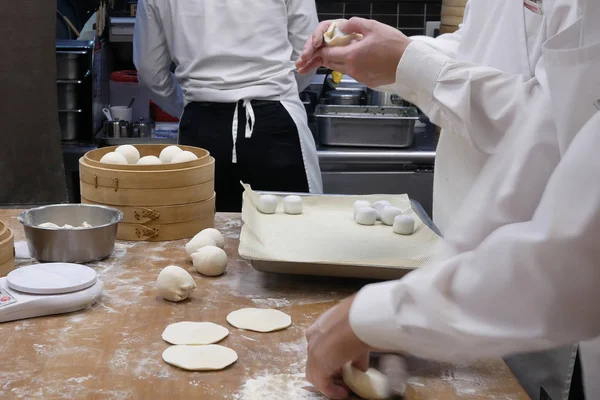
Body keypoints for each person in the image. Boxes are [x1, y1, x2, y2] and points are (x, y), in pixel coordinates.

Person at [299, 1, 600, 399]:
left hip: (549, 314)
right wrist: (396, 54)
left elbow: (575, 246)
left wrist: (389, 314)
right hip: (479, 288)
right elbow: (499, 71)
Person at [134, 0, 323, 212]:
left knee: (203, 235)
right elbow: (306, 55)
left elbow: (149, 71)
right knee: (293, 233)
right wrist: (277, 91)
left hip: (201, 127)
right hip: (277, 124)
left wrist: (188, 104)